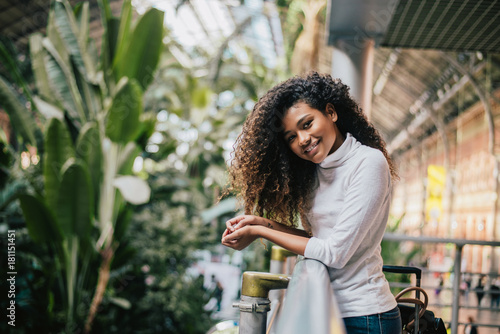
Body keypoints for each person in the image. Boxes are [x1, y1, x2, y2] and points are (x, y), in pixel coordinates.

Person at [221, 71, 401, 334]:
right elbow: (317, 239)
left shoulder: (368, 163)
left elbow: (334, 253)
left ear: (331, 112)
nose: (302, 140)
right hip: (329, 310)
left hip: (366, 317)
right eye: (291, 137)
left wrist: (260, 232)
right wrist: (262, 222)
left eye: (307, 124)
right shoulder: (315, 170)